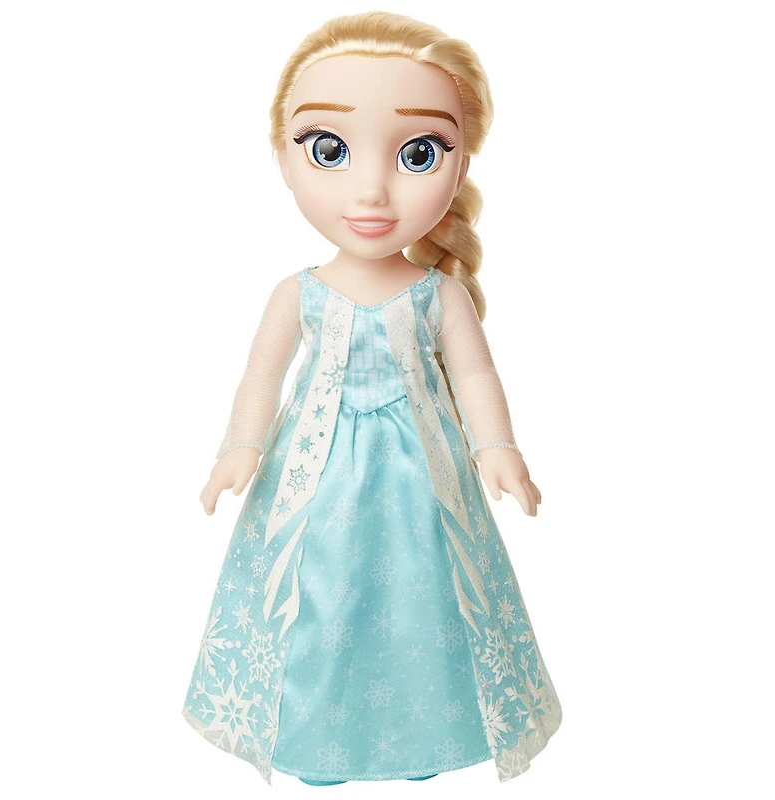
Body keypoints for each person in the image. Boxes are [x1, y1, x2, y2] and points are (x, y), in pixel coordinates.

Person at [182, 10, 562, 786]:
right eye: (329, 149)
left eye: (419, 154)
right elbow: (261, 378)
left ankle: (420, 738)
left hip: (423, 483)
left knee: (425, 606)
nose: (371, 189)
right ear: (284, 158)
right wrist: (240, 448)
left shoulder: (437, 292)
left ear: (461, 164)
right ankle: (317, 739)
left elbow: (477, 377)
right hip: (311, 481)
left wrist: (497, 448)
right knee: (315, 602)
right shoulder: (298, 292)